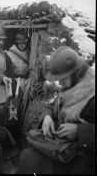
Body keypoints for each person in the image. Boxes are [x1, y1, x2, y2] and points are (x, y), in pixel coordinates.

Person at [16, 46, 95, 174]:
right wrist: (47, 116)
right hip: (64, 149)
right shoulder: (74, 82)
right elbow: (55, 104)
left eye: (63, 78)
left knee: (32, 162)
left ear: (76, 72)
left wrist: (79, 130)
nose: (60, 83)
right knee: (28, 157)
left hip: (85, 160)